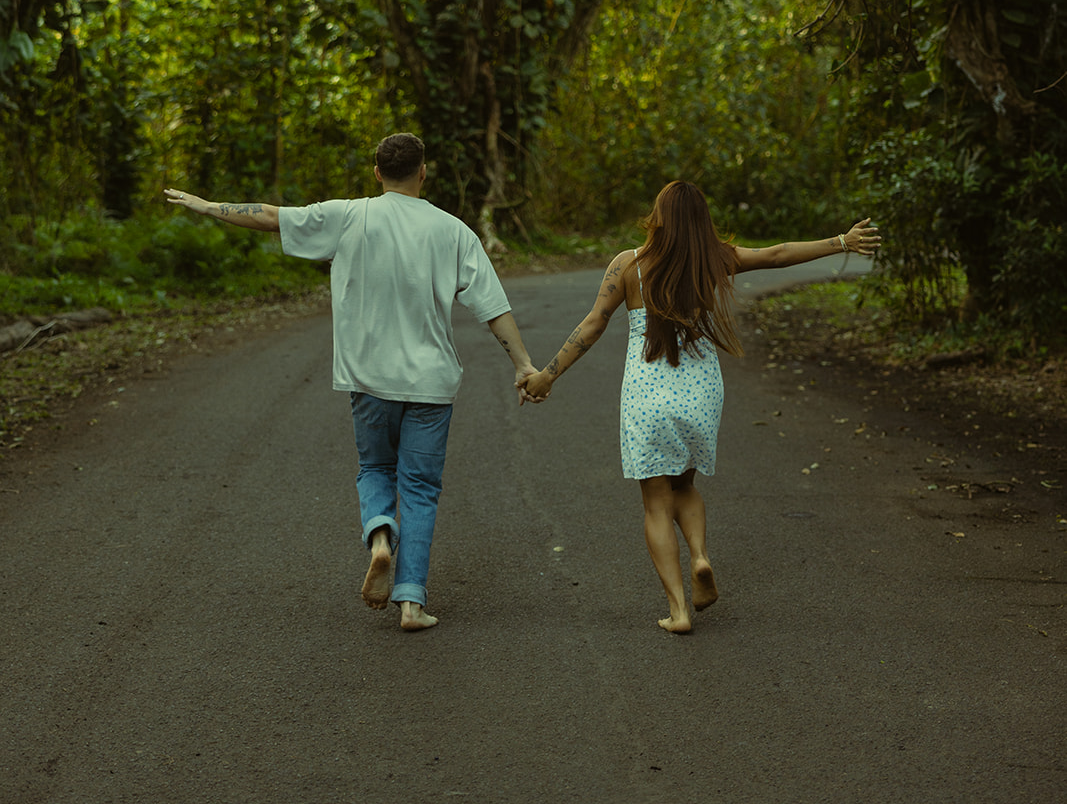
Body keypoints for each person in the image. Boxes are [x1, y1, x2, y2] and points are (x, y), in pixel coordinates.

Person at [165, 132, 537, 632]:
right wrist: (523, 364)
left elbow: (270, 216)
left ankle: (380, 535)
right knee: (421, 489)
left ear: (376, 172)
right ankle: (411, 602)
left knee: (374, 468)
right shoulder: (454, 232)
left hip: (368, 379)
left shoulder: (348, 216)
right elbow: (493, 307)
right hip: (431, 385)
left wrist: (208, 206)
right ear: (423, 172)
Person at [520, 182, 880, 634]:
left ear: (659, 216)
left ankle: (678, 611)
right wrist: (840, 242)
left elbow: (593, 325)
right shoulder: (715, 259)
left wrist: (547, 375)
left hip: (649, 397)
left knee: (656, 504)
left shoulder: (628, 265)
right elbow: (776, 254)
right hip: (701, 393)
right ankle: (700, 556)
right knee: (684, 486)